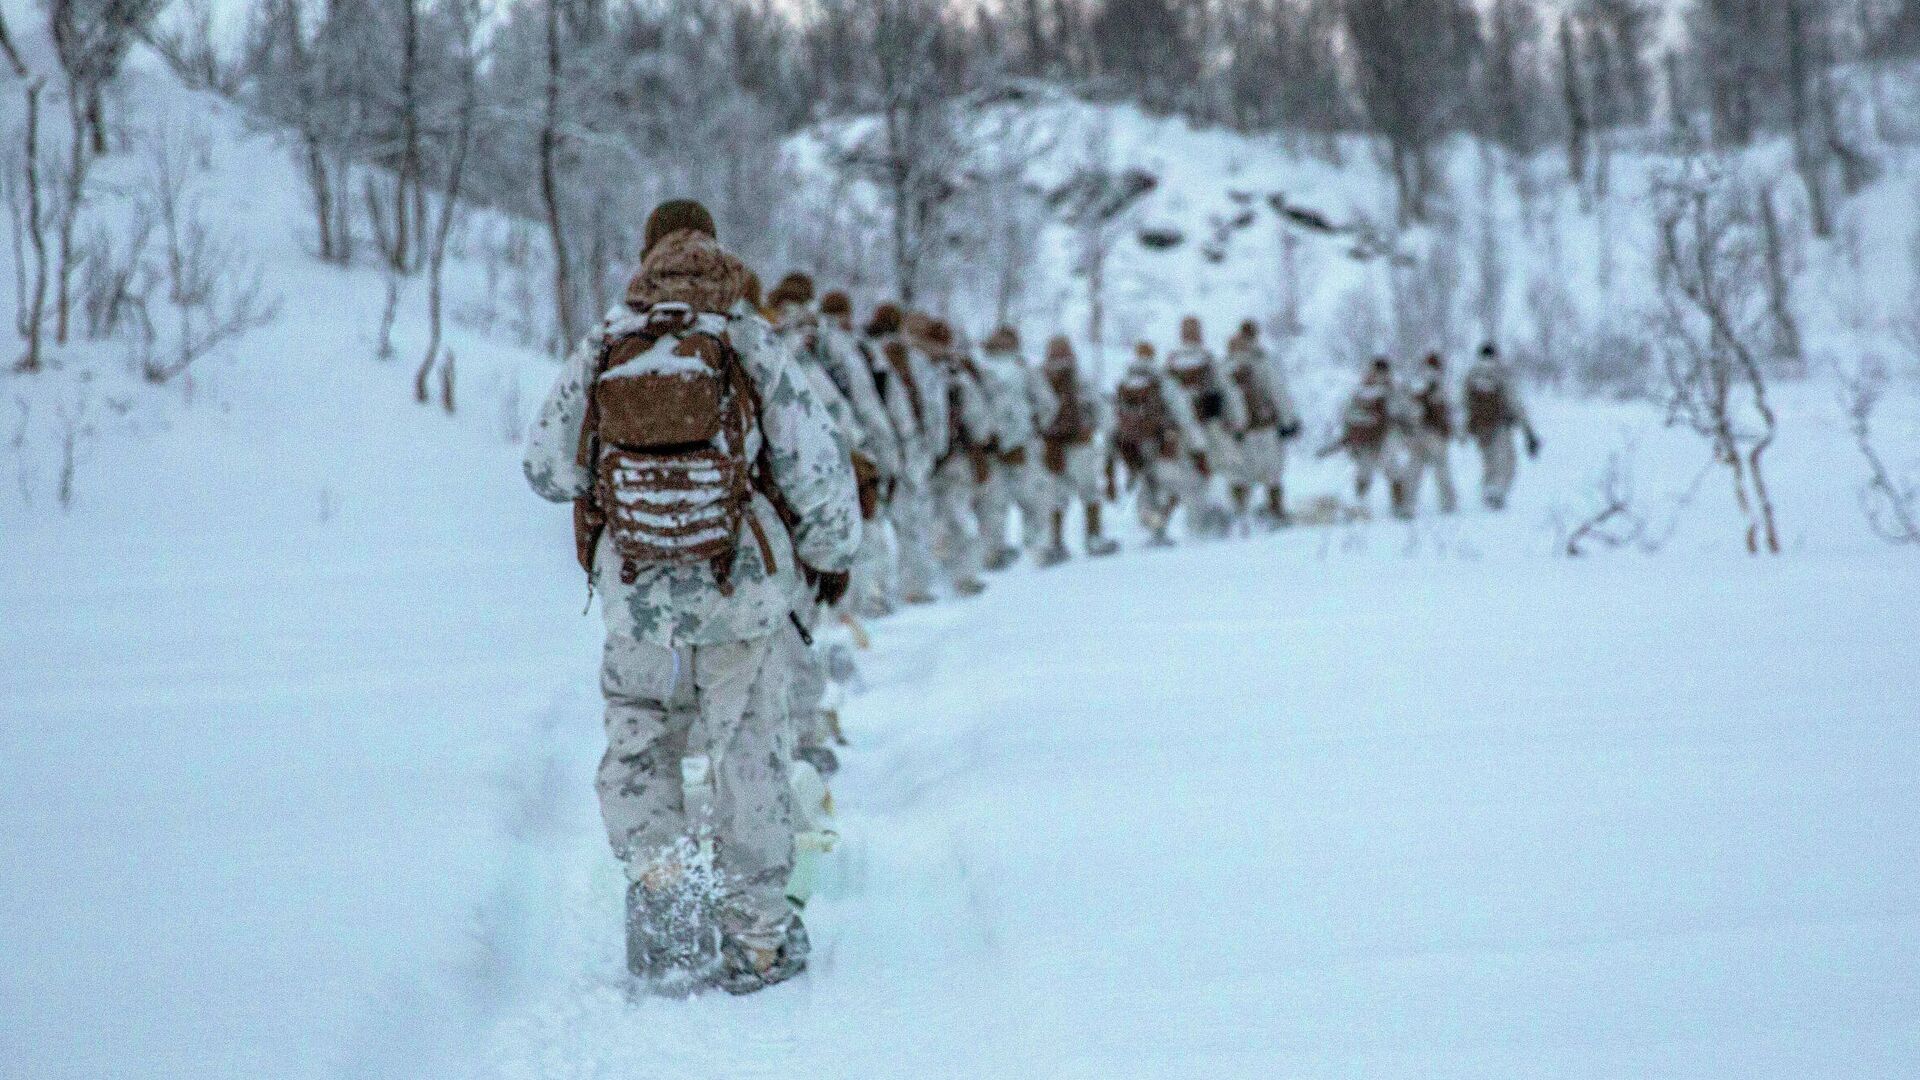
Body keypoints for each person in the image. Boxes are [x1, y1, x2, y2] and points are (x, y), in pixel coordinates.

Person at [522, 201, 859, 995]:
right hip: (736, 593)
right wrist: (829, 555)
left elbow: (544, 469)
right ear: (719, 250)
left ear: (644, 256)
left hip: (636, 596)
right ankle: (758, 941)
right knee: (748, 752)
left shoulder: (608, 341)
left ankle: (668, 909)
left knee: (640, 744)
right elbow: (816, 466)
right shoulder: (746, 336)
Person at [817, 290, 905, 617]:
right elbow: (870, 408)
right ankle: (868, 603)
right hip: (852, 451)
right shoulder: (851, 349)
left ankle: (838, 611)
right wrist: (888, 461)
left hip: (808, 456)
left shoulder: (791, 341)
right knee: (867, 533)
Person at [863, 303, 943, 605]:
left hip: (877, 447)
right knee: (909, 522)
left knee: (878, 523)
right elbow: (927, 407)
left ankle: (880, 592)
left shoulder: (866, 352)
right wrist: (931, 447)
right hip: (904, 449)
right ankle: (908, 587)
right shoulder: (912, 360)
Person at [916, 316, 992, 597]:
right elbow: (979, 420)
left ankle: (929, 578)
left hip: (924, 458)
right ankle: (961, 576)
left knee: (927, 520)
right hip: (953, 457)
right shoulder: (955, 374)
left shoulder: (915, 370)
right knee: (957, 517)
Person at [973, 326, 1058, 569]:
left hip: (990, 447)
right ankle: (1037, 549)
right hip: (1023, 445)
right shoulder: (1024, 369)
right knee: (1034, 499)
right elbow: (1048, 404)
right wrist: (1035, 429)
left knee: (993, 502)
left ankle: (993, 551)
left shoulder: (980, 368)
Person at [1037, 335, 1118, 561]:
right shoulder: (1079, 378)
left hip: (1052, 447)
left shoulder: (1040, 377)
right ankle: (1093, 538)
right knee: (1089, 492)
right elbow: (1100, 409)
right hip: (1080, 444)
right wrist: (1103, 430)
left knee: (1056, 496)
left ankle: (1056, 543)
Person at [1160, 316, 1241, 538]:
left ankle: (1192, 526)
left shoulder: (1171, 362)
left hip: (1180, 432)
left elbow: (1164, 398)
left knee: (1187, 477)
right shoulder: (1208, 359)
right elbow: (1227, 391)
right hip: (1209, 427)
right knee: (1219, 472)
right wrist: (1236, 422)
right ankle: (1219, 522)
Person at [1221, 320, 1303, 526]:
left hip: (1238, 431)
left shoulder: (1226, 364)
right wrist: (1289, 422)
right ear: (1256, 335)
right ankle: (1276, 514)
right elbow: (1278, 393)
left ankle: (1239, 515)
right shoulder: (1262, 360)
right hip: (1265, 426)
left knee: (1240, 473)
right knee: (1272, 473)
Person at [1322, 357, 1414, 517]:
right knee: (1380, 471)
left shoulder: (1370, 390)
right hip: (1376, 439)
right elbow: (1403, 412)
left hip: (1380, 438)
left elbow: (1348, 414)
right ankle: (1367, 506)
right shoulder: (1378, 390)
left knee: (1377, 471)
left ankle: (1369, 505)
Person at [1112, 342, 1181, 546]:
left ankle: (1154, 526)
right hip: (1160, 438)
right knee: (1167, 484)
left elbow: (1115, 413)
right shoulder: (1161, 378)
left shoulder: (1125, 380)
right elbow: (1177, 407)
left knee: (1146, 484)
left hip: (1133, 442)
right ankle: (1160, 528)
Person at [1462, 342, 1540, 510]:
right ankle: (1496, 496)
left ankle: (1487, 493)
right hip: (1500, 426)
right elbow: (1515, 403)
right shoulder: (1500, 373)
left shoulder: (1471, 375)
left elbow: (1463, 404)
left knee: (1489, 463)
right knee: (1508, 462)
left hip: (1479, 428)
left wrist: (1463, 431)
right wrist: (1529, 432)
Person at [1405, 352, 1458, 515]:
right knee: (1441, 469)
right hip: (1435, 435)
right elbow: (1449, 409)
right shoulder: (1441, 384)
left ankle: (1407, 504)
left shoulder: (1416, 383)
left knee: (1414, 470)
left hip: (1418, 433)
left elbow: (1409, 409)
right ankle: (1448, 503)